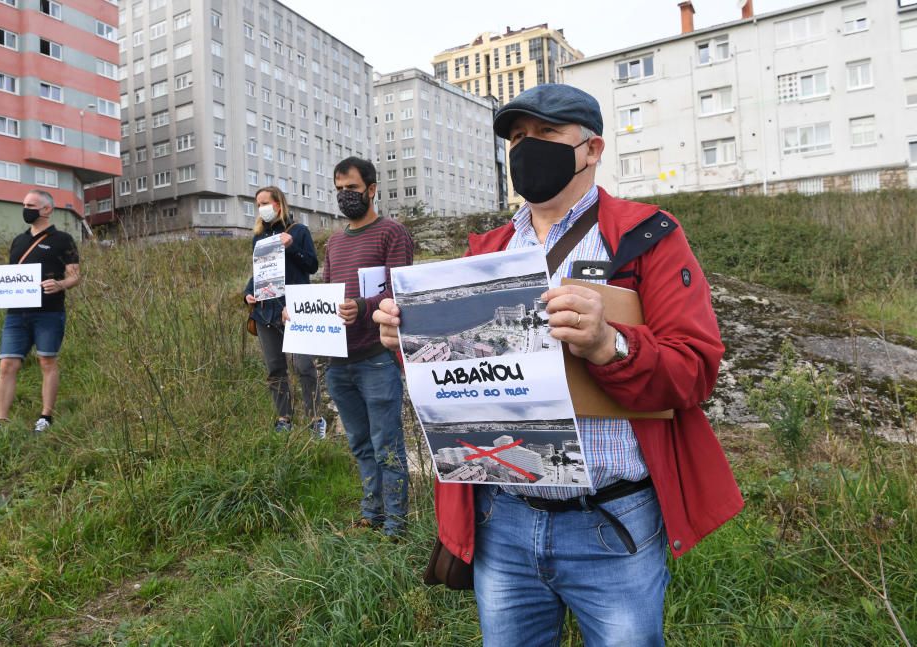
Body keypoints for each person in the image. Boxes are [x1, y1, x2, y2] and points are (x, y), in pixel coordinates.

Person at [374, 85, 743, 645]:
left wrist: (609, 345)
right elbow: (458, 385)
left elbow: (695, 371)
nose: (526, 148)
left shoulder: (649, 239)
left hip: (611, 523)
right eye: (517, 137)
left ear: (591, 149)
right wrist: (409, 344)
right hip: (504, 518)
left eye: (545, 134)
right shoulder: (482, 254)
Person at [324, 156, 414, 538]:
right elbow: (326, 294)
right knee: (360, 443)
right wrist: (301, 318)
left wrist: (363, 307)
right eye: (340, 190)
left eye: (353, 189)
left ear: (372, 189)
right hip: (337, 362)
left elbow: (400, 293)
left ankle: (395, 525)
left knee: (386, 444)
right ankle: (370, 514)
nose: (346, 196)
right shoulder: (333, 242)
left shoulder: (392, 234)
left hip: (377, 358)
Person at [0, 190, 81, 434]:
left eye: (31, 205)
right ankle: (1, 421)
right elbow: (12, 278)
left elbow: (75, 276)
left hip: (49, 312)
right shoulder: (18, 241)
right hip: (16, 314)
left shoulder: (63, 239)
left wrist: (60, 284)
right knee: (7, 365)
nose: (26, 209)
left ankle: (46, 417)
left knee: (47, 361)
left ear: (47, 209)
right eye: (24, 204)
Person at [243, 186, 323, 436]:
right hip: (266, 310)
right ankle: (283, 418)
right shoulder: (259, 237)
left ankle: (315, 419)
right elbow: (260, 272)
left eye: (265, 202)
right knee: (275, 368)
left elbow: (311, 265)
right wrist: (248, 292)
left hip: (296, 308)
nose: (261, 208)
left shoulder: (299, 231)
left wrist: (291, 247)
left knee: (304, 366)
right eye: (258, 204)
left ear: (279, 204)